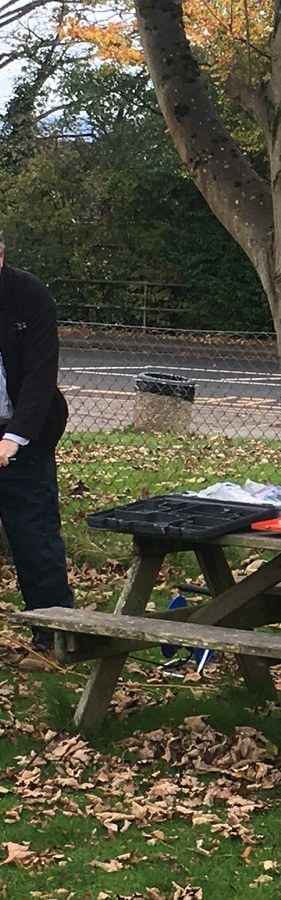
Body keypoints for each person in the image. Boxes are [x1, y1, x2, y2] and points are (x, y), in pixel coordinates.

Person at [0, 234, 74, 671]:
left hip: (25, 436)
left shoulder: (29, 295)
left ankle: (53, 641)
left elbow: (40, 377)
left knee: (36, 541)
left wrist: (15, 439)